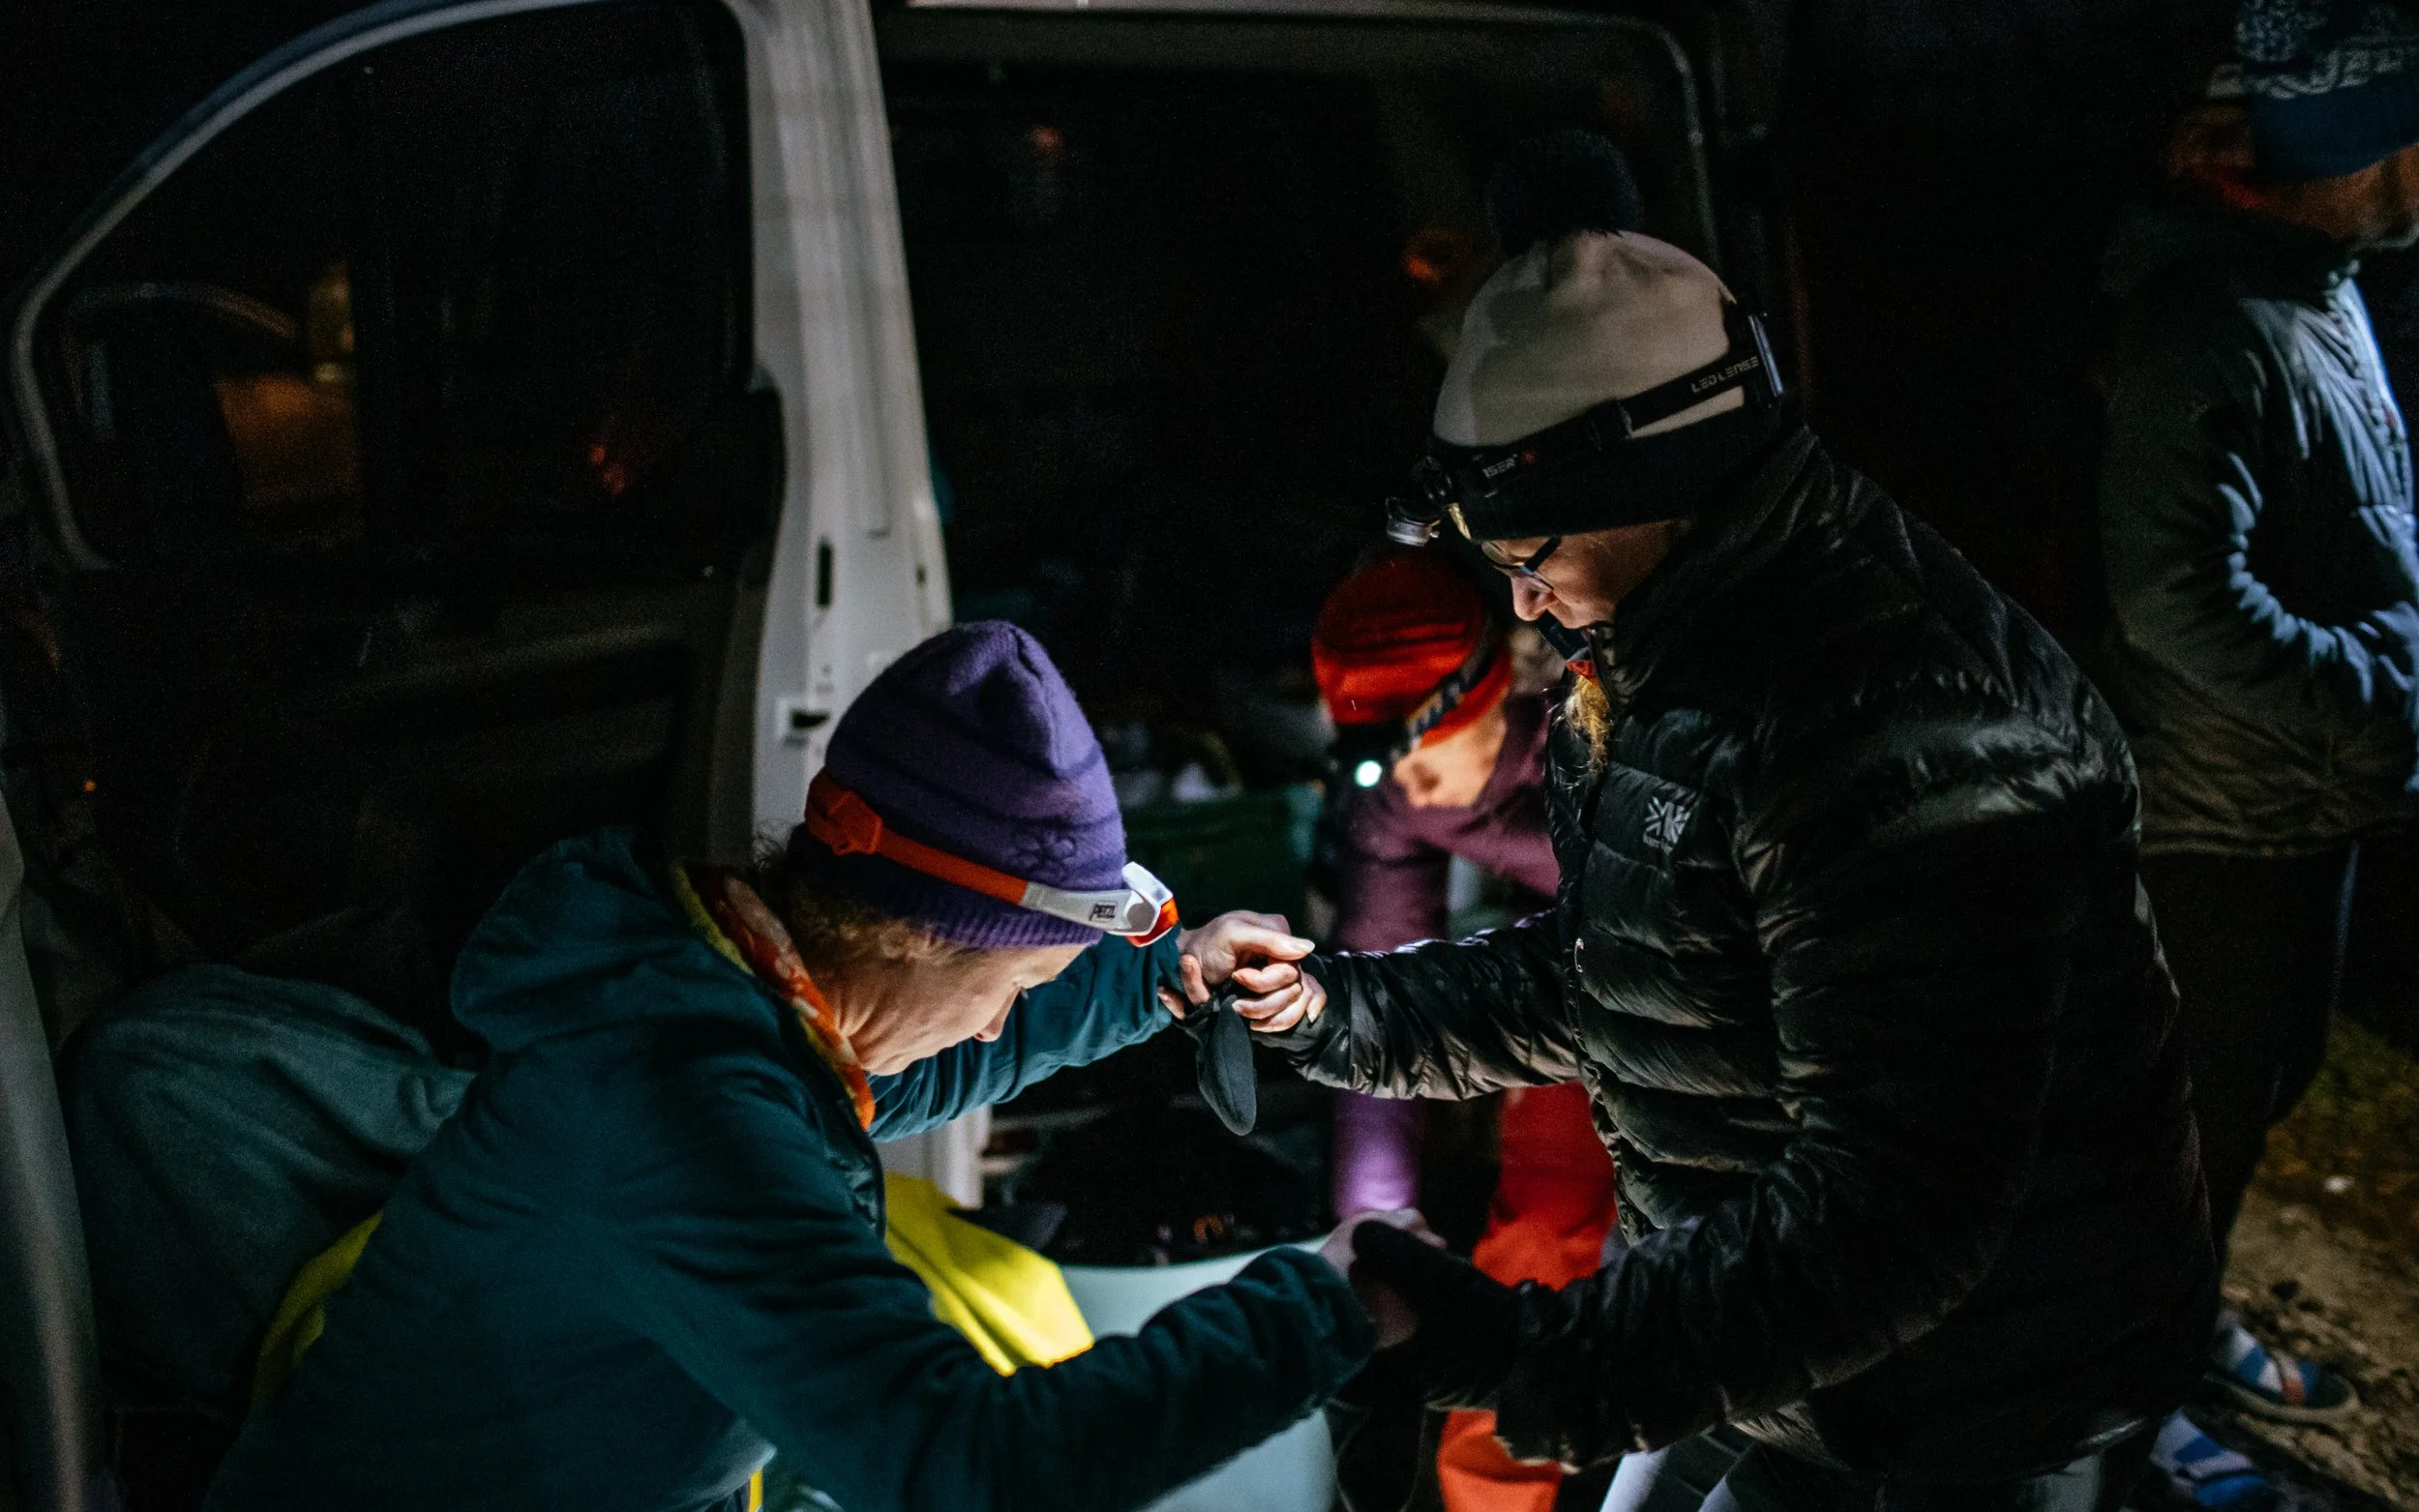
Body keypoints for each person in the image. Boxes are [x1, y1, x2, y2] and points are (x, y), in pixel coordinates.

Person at [1212, 171, 2215, 1509]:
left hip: (1975, 1395)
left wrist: (1528, 1351)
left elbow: (1892, 1213)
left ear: (1656, 473)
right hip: (1773, 1346)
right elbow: (1629, 964)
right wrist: (1333, 1007)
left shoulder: (1902, 726)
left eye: (1529, 543)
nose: (1515, 588)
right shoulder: (1641, 649)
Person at [203, 621, 1421, 1512]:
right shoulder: (679, 1113)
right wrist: (1318, 1305)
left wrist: (1167, 974)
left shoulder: (723, 994)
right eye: (1012, 988)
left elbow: (925, 1067)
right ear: (919, 936)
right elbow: (971, 1466)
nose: (1005, 1027)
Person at [2095, 8, 2419, 1502]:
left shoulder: (2319, 288)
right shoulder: (2200, 323)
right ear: (2331, 149)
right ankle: (2129, 1416)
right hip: (2220, 830)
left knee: (2252, 1105)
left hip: (2304, 815)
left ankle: (2184, 1331)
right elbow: (2174, 594)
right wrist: (2373, 693)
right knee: (2188, 1136)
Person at [1312, 548, 1616, 1512]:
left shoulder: (1602, 717)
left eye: (1430, 749)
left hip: (1714, 971)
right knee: (1538, 1223)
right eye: (1383, 762)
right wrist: (1374, 1225)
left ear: (1493, 688)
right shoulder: (1399, 795)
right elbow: (1374, 1012)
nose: (1415, 784)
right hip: (1568, 985)